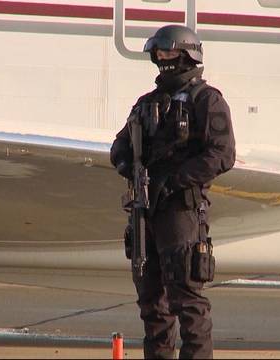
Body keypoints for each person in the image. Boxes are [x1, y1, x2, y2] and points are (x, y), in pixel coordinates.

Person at [110, 24, 235, 359]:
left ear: (186, 54)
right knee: (152, 305)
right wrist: (128, 167)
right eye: (159, 53)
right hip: (145, 210)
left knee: (187, 301)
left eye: (168, 52)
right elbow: (120, 146)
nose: (162, 59)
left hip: (182, 211)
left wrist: (174, 180)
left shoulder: (206, 100)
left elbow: (222, 155)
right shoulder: (146, 104)